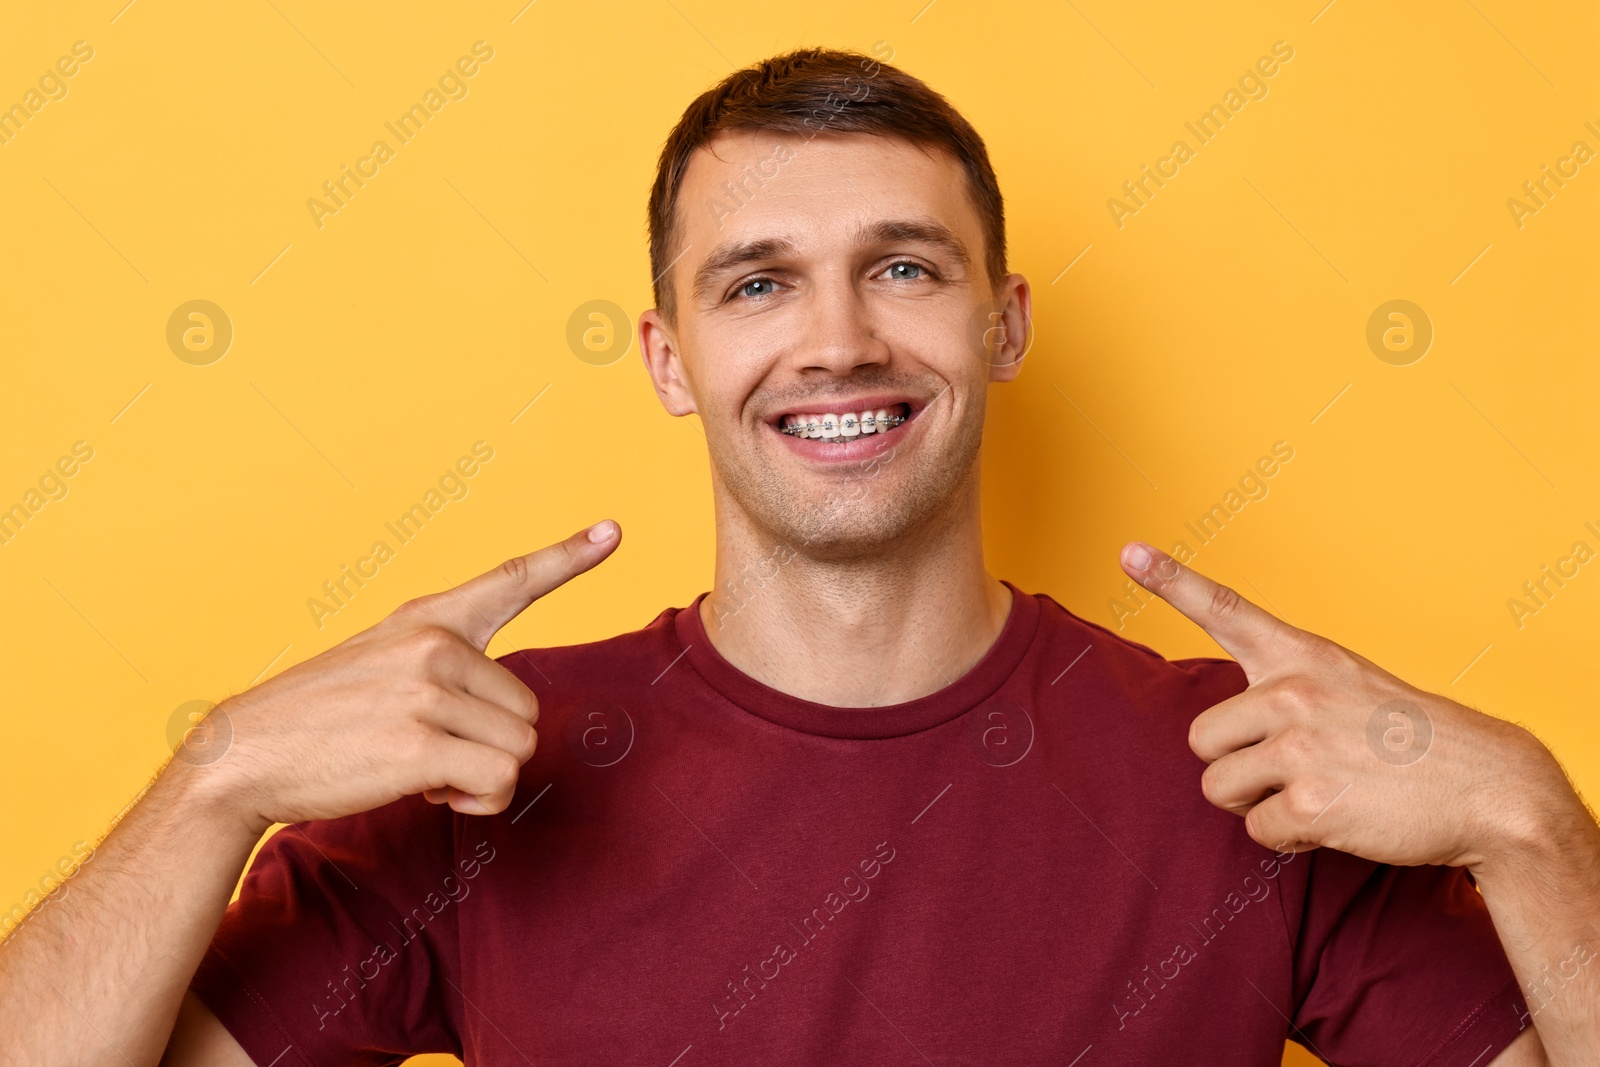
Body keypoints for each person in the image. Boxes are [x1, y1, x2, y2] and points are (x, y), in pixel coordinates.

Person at [3, 48, 1596, 1067]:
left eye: (901, 268)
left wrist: (1531, 816)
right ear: (670, 355)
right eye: (757, 285)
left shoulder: (1251, 767)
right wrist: (217, 775)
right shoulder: (485, 773)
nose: (836, 343)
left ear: (1004, 321)